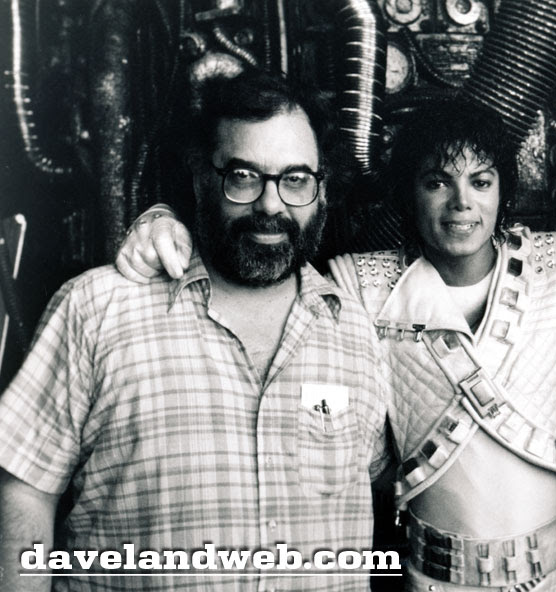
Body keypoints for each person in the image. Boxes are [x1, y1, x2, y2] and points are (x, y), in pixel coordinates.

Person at [116, 97, 556, 591]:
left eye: (480, 181)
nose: (461, 204)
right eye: (437, 182)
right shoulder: (359, 281)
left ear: (504, 190)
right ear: (408, 195)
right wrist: (162, 223)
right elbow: (259, 271)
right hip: (430, 576)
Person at [0, 69, 392, 592]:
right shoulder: (97, 308)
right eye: (244, 176)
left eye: (296, 179)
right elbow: (25, 490)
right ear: (201, 178)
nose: (271, 204)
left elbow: (378, 486)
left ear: (322, 192)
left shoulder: (354, 331)